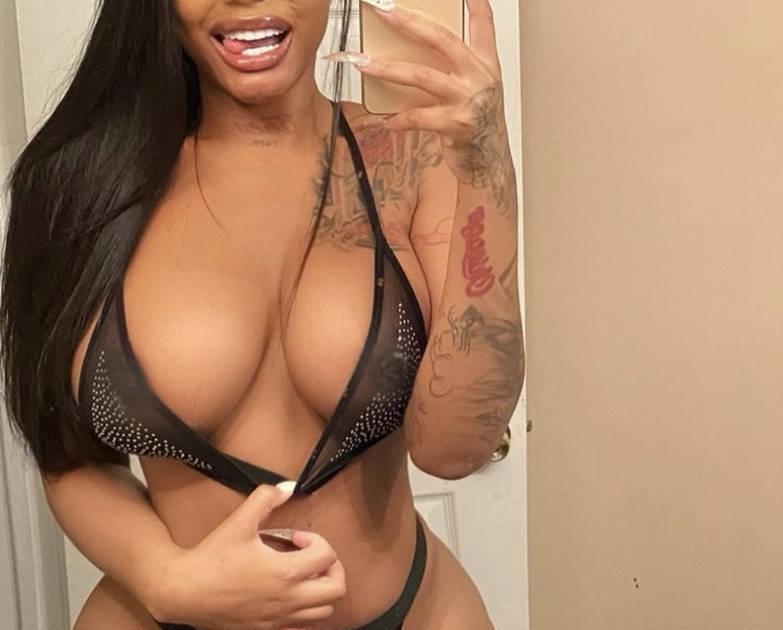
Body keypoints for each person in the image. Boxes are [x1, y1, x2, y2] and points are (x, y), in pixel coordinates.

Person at [1, 0, 524, 628]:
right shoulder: (75, 185)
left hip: (414, 613)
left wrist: (487, 167)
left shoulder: (414, 160)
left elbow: (455, 449)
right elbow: (67, 454)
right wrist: (166, 581)